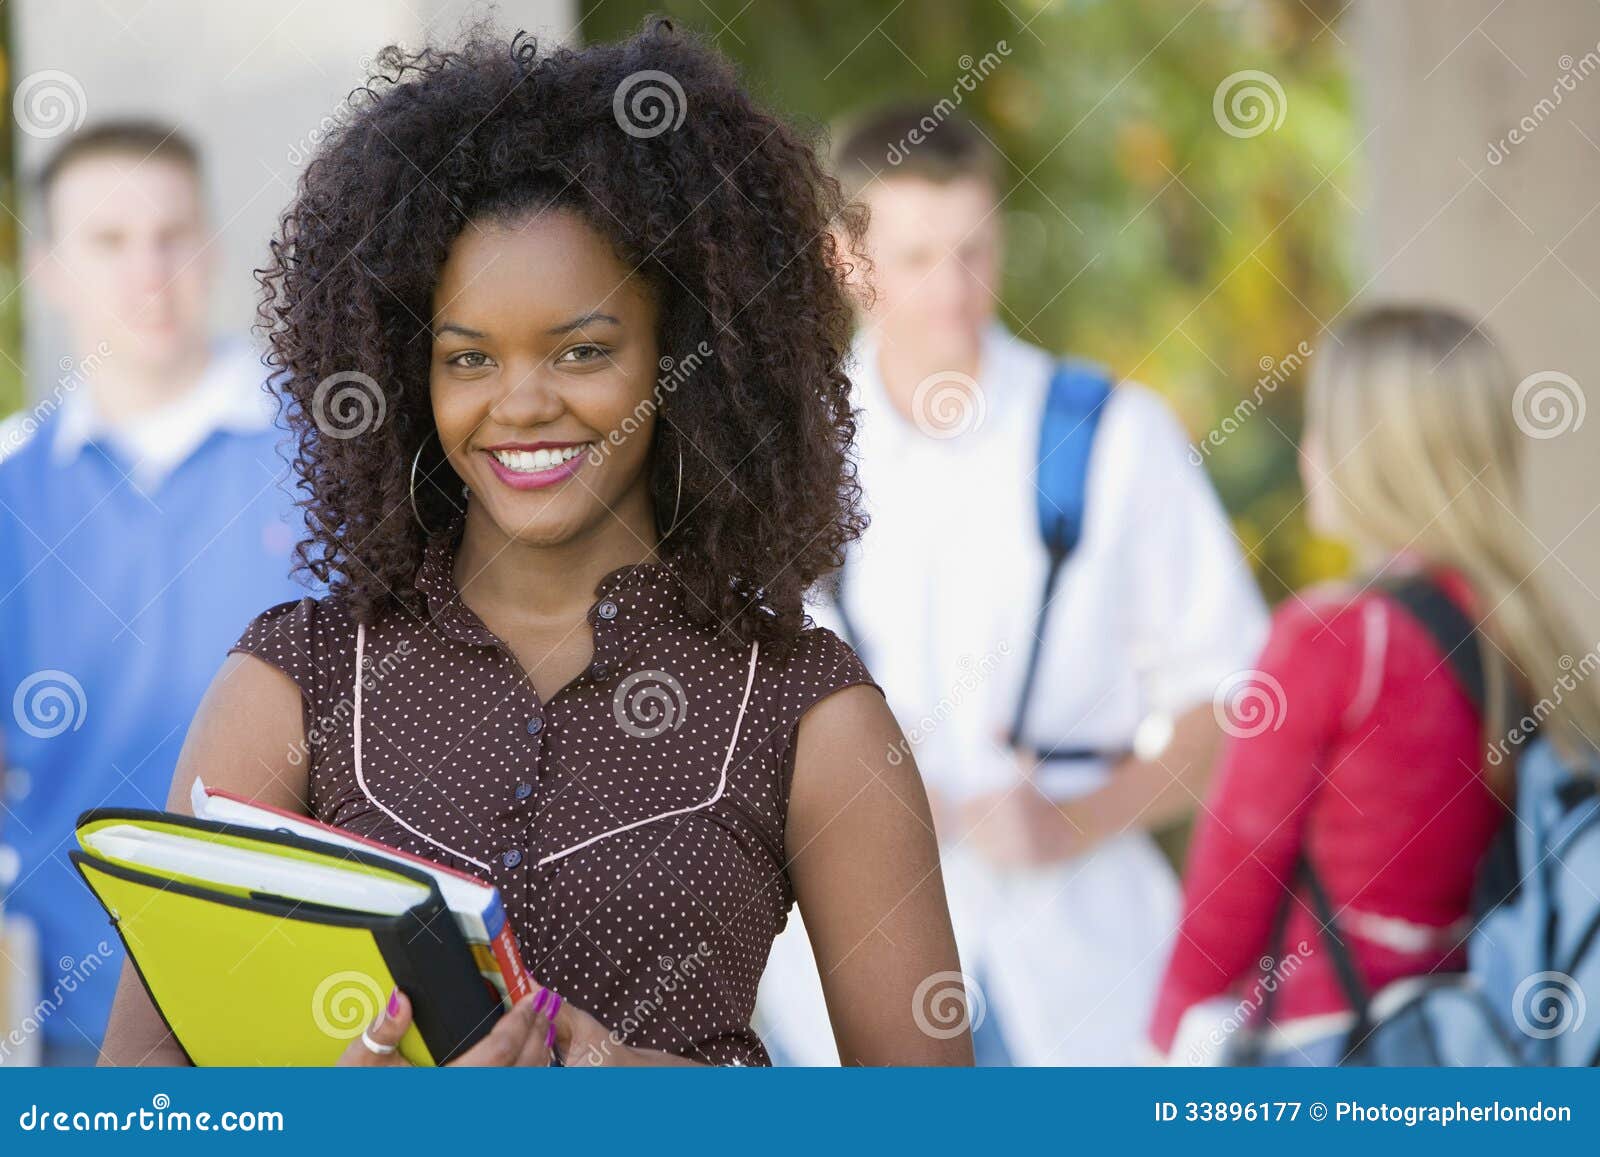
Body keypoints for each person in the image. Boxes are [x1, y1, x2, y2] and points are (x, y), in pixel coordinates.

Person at [98, 21, 970, 1068]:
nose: (521, 404)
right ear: (410, 377)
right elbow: (130, 1106)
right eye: (467, 358)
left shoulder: (806, 711)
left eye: (584, 349)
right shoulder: (295, 681)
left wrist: (642, 1087)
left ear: (687, 352)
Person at [755, 106, 1269, 1065]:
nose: (953, 292)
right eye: (915, 259)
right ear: (844, 259)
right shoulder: (785, 461)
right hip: (834, 999)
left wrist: (1075, 820)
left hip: (1081, 981)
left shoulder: (1116, 435)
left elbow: (1235, 702)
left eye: (974, 251)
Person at [1148, 305, 1600, 1064]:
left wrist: (1158, 1045)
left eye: (1327, 426)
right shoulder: (1534, 635)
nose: (1309, 451)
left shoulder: (1331, 638)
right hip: (1475, 1043)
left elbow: (1236, 872)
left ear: (1374, 456)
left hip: (1328, 1044)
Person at [0, 122, 311, 1066]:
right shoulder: (11, 486)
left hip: (317, 1007)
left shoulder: (328, 451)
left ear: (211, 247)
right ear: (50, 268)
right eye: (108, 240)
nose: (149, 268)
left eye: (173, 234)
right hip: (75, 1031)